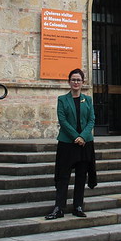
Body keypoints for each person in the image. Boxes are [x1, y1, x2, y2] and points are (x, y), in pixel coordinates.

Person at [45, 68, 96, 219]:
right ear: (69, 82)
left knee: (81, 175)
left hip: (85, 143)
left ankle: (78, 206)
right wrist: (76, 137)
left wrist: (83, 136)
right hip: (68, 143)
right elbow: (63, 120)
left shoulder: (88, 100)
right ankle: (59, 208)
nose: (76, 82)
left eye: (78, 80)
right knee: (63, 176)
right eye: (73, 80)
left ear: (83, 82)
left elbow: (91, 119)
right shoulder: (62, 99)